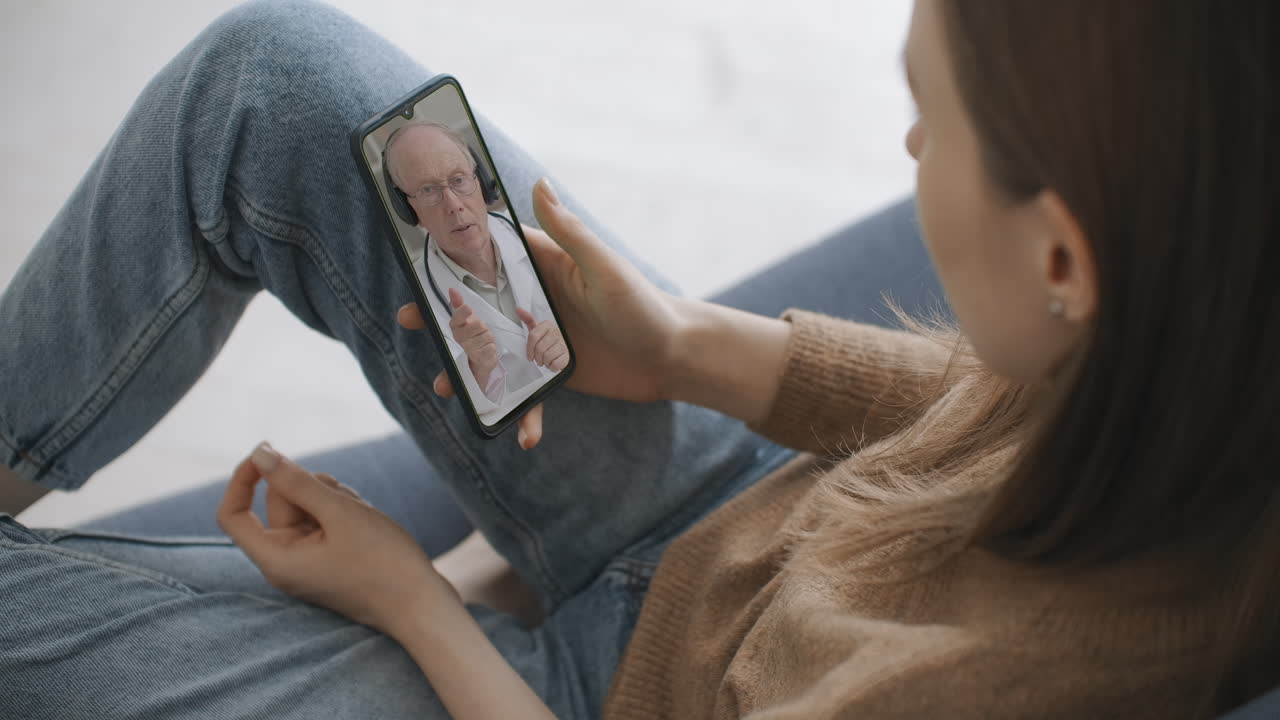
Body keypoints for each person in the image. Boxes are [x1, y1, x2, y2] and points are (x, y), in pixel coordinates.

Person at [1, 0, 1277, 718]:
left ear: (1060, 265)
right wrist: (681, 349)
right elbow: (985, 396)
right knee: (273, 80)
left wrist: (416, 600)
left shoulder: (972, 697)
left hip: (581, 701)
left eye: (927, 120)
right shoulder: (1200, 344)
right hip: (726, 515)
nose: (901, 148)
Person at [384, 121, 567, 418]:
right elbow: (464, 405)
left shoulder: (534, 230)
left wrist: (569, 335)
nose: (454, 205)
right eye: (428, 190)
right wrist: (478, 368)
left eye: (458, 180)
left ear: (480, 182)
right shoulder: (413, 294)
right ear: (408, 209)